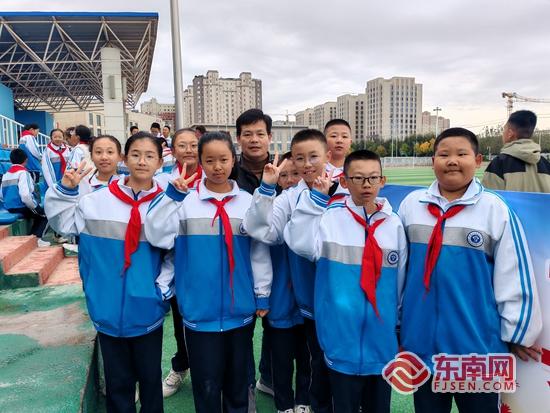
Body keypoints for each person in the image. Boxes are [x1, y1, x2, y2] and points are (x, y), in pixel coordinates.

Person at [398, 127, 542, 413]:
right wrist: (397, 323)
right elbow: (398, 271)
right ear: (433, 161)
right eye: (444, 154)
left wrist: (518, 332)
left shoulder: (494, 209)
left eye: (461, 154)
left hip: (477, 348)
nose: (452, 160)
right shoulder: (411, 206)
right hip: (421, 346)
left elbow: (514, 274)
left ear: (477, 161)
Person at [144, 132, 272, 413]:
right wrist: (172, 198)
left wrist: (262, 293)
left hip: (240, 312)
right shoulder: (185, 203)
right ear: (200, 162)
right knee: (206, 386)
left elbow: (259, 251)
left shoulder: (247, 202)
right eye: (210, 160)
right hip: (198, 314)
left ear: (233, 160)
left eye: (223, 159)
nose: (217, 166)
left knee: (238, 385)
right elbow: (157, 236)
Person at [45, 132, 171, 413]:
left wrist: (160, 291)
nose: (142, 161)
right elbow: (63, 223)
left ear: (160, 162)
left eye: (149, 156)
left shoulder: (166, 205)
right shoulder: (96, 202)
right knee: (118, 384)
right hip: (107, 307)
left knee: (150, 380)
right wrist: (65, 191)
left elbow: (174, 256)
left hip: (148, 308)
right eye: (135, 154)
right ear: (125, 159)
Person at [285, 150, 407, 413]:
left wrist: (396, 324)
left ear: (382, 181)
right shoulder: (329, 218)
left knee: (378, 407)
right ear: (344, 181)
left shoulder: (394, 224)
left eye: (373, 178)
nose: (366, 185)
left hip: (381, 340)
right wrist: (315, 201)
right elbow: (298, 242)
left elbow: (400, 281)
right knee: (343, 405)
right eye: (358, 178)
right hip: (340, 338)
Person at [244, 129, 337, 413]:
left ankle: (314, 401)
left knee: (323, 358)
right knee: (296, 356)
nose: (307, 164)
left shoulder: (345, 193)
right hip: (299, 296)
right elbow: (262, 232)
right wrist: (266, 189)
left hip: (336, 294)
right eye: (299, 158)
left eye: (313, 156)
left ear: (327, 156)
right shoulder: (289, 198)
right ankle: (290, 404)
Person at [231, 108, 275, 403]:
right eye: (247, 134)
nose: (254, 139)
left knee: (277, 326)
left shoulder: (284, 169)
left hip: (279, 259)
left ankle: (269, 378)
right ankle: (244, 387)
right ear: (239, 138)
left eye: (260, 133)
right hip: (240, 261)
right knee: (242, 330)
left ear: (270, 137)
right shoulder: (229, 171)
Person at [154, 128, 199, 399]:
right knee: (180, 320)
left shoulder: (213, 178)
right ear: (174, 149)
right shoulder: (162, 181)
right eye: (182, 145)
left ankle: (210, 372)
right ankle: (181, 365)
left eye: (194, 144)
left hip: (206, 261)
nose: (189, 150)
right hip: (174, 263)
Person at [266, 151, 311, 413]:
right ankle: (284, 404)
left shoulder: (315, 207)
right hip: (279, 298)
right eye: (284, 175)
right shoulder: (272, 210)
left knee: (306, 357)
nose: (291, 179)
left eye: (296, 173)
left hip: (307, 299)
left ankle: (303, 401)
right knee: (281, 358)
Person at [482, 110, 550, 192]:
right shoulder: (546, 165)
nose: (503, 134)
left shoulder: (498, 163)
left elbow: (490, 197)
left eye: (504, 130)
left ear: (510, 133)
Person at [1, 149, 49, 246]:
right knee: (45, 215)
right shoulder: (23, 173)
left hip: (9, 207)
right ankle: (36, 239)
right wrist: (35, 207)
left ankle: (30, 238)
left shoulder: (6, 174)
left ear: (11, 161)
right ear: (26, 160)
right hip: (21, 206)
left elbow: (1, 195)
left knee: (38, 214)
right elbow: (25, 195)